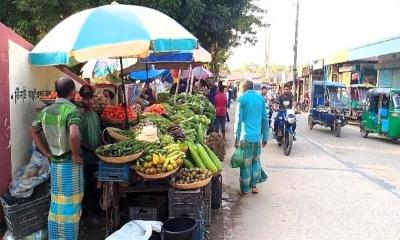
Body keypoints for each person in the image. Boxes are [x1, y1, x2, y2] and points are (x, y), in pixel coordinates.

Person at [29, 77, 83, 240]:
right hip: (70, 165)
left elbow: (33, 130)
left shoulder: (45, 112)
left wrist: (46, 153)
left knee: (57, 203)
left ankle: (55, 236)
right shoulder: (71, 111)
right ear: (72, 93)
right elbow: (74, 135)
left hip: (55, 165)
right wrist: (75, 155)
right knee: (71, 205)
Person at [234, 80, 268, 195]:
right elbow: (265, 119)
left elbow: (238, 121)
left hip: (246, 137)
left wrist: (236, 137)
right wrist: (265, 137)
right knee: (255, 161)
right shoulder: (261, 99)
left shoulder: (242, 99)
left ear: (243, 88)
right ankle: (254, 186)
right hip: (257, 137)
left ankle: (244, 189)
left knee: (245, 164)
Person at [79, 85, 102, 218]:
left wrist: (99, 148)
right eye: (86, 99)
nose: (89, 101)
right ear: (82, 100)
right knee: (88, 187)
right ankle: (88, 214)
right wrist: (93, 150)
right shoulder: (80, 117)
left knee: (96, 186)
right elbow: (80, 140)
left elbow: (98, 135)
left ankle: (96, 210)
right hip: (87, 159)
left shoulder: (95, 116)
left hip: (95, 157)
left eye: (91, 98)